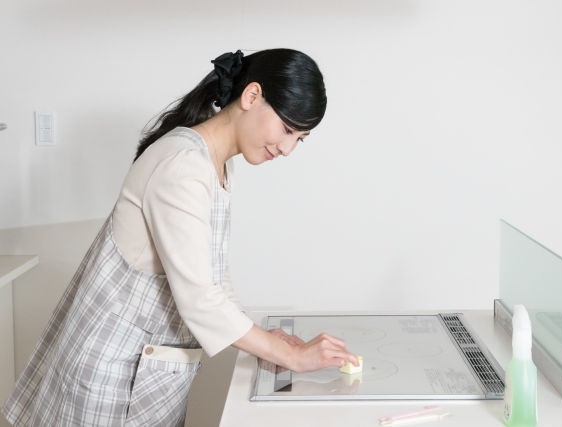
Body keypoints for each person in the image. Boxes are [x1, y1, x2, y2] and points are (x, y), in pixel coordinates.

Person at [2, 48, 359, 427]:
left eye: (299, 139)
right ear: (252, 96)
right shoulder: (184, 164)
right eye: (287, 130)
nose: (287, 149)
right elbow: (199, 298)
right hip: (111, 377)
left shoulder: (216, 164)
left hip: (145, 372)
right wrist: (289, 356)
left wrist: (264, 339)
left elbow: (213, 276)